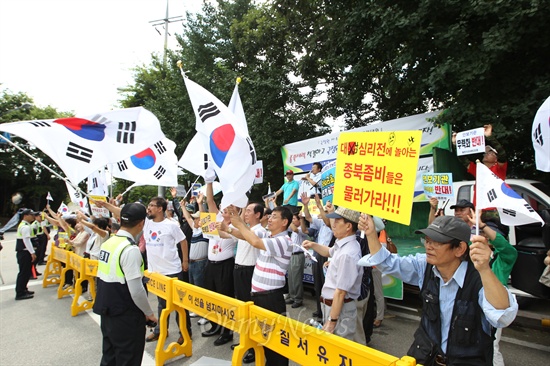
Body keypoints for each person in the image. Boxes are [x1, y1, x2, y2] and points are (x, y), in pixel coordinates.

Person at [358, 215, 518, 365]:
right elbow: (388, 263)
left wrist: (484, 269)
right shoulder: (424, 265)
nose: (429, 246)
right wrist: (371, 233)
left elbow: (503, 315)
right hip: (425, 358)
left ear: (460, 248)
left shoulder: (479, 279)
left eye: (437, 242)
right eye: (427, 240)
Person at [93, 203, 157, 366]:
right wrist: (148, 313)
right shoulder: (130, 250)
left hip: (107, 310)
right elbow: (136, 291)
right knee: (128, 359)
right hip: (125, 314)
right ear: (141, 223)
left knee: (109, 357)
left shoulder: (109, 243)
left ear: (120, 220)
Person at [228, 205, 293, 366]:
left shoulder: (283, 240)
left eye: (274, 217)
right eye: (269, 216)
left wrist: (239, 223)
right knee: (264, 340)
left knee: (275, 344)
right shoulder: (270, 238)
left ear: (284, 222)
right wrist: (234, 226)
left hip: (271, 298)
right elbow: (248, 237)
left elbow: (254, 241)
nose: (269, 219)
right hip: (260, 297)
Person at [303, 206, 363, 340]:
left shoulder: (348, 253)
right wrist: (313, 245)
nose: (333, 224)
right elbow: (328, 252)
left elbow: (341, 292)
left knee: (340, 351)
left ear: (348, 226)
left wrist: (332, 320)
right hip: (334, 307)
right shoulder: (342, 244)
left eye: (337, 221)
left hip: (340, 310)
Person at [301, 193, 334, 319]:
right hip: (318, 254)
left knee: (327, 285)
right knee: (318, 284)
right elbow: (308, 217)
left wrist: (320, 205)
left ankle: (328, 313)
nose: (322, 213)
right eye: (323, 211)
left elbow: (327, 220)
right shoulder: (321, 224)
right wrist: (305, 205)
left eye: (326, 211)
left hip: (327, 256)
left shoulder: (333, 224)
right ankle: (320, 310)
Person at [285, 213, 309, 308]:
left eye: (294, 219)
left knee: (296, 278)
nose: (293, 220)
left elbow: (295, 229)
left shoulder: (301, 230)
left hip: (298, 255)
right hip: (292, 255)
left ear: (300, 220)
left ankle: (298, 299)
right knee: (290, 277)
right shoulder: (293, 230)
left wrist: (289, 220)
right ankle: (292, 296)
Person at [15, 209, 38, 300]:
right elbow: (26, 241)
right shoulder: (25, 227)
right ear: (25, 216)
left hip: (24, 252)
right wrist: (32, 253)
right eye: (31, 215)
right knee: (24, 273)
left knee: (26, 272)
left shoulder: (25, 225)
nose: (33, 216)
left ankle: (24, 289)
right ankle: (20, 293)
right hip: (25, 252)